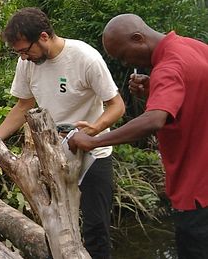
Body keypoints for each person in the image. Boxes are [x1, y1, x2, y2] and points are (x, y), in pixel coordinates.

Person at [0, 7, 125, 259]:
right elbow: (23, 105)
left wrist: (94, 130)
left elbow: (116, 105)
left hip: (92, 153)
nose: (23, 58)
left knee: (96, 229)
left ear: (43, 37)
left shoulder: (85, 58)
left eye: (25, 50)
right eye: (18, 52)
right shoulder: (27, 63)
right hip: (51, 153)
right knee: (54, 226)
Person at [67, 14, 208, 259]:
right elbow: (194, 97)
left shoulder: (168, 67)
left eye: (123, 56)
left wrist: (94, 140)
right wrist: (155, 90)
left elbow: (153, 121)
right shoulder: (193, 47)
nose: (125, 63)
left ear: (138, 38)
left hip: (195, 193)